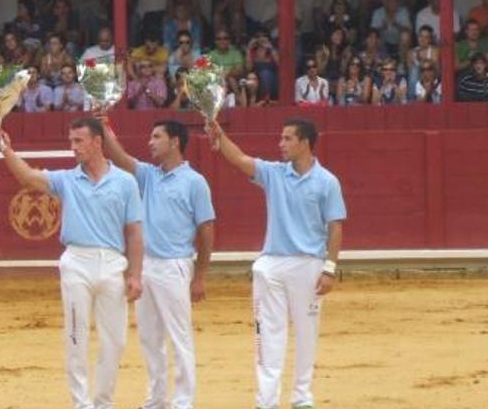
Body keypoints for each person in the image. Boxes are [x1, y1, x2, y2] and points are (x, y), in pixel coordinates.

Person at [0, 117, 144, 409]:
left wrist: (136, 274)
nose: (73, 147)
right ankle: (81, 404)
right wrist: (6, 150)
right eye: (71, 141)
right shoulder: (66, 179)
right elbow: (28, 178)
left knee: (115, 342)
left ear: (97, 142)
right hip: (77, 262)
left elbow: (135, 231)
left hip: (113, 263)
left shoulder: (125, 182)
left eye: (79, 141)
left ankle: (103, 402)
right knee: (76, 337)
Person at [206, 117, 346, 409]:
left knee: (307, 334)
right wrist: (220, 134)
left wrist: (329, 269)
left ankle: (302, 397)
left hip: (309, 265)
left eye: (287, 139)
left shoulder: (326, 181)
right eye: (281, 138)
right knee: (268, 335)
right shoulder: (274, 173)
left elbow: (335, 227)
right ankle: (267, 401)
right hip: (271, 265)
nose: (280, 144)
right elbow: (240, 159)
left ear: (305, 142)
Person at [99, 118, 215, 409]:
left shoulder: (195, 182)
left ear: (175, 142)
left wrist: (200, 276)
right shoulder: (150, 175)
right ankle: (157, 400)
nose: (150, 142)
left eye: (156, 137)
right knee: (150, 339)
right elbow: (120, 157)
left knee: (179, 337)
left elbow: (206, 230)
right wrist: (104, 129)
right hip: (146, 266)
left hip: (175, 265)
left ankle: (183, 402)